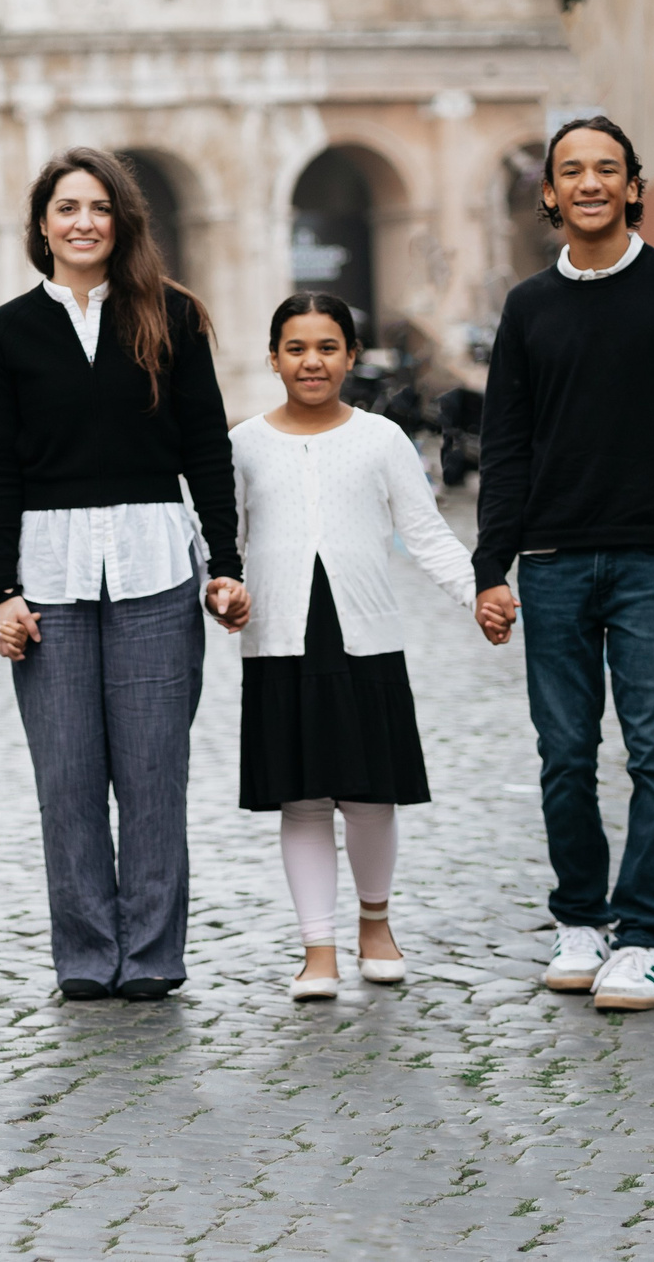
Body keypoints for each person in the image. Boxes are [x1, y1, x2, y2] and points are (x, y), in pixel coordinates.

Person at [472, 115, 654, 1014]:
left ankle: (640, 937)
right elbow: (505, 446)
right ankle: (580, 921)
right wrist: (491, 567)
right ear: (549, 194)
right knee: (564, 755)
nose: (590, 182)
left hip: (652, 562)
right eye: (571, 171)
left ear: (633, 185)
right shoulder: (528, 307)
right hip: (549, 564)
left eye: (608, 169)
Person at [0, 146, 249, 1002]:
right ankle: (88, 954)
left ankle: (155, 953)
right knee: (67, 777)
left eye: (98, 207)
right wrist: (1, 589)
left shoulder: (173, 317)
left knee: (154, 774)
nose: (83, 221)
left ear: (122, 221)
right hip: (48, 574)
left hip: (157, 565)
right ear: (42, 225)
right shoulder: (6, 332)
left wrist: (226, 564)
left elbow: (206, 446)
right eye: (66, 207)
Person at [231, 292, 478, 1001]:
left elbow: (425, 532)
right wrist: (218, 595)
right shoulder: (245, 443)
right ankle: (317, 947)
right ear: (274, 357)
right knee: (302, 797)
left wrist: (477, 593)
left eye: (328, 346)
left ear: (351, 356)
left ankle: (376, 924)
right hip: (280, 639)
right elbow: (226, 547)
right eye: (298, 348)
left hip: (364, 634)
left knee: (370, 792)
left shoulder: (381, 440)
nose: (313, 360)